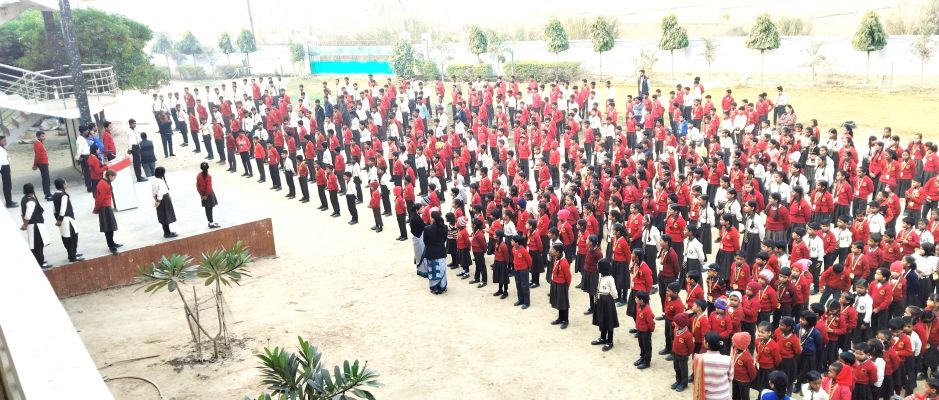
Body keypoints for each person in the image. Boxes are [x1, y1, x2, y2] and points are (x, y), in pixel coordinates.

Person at [693, 331, 734, 400]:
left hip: (707, 396)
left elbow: (697, 377)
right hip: (723, 396)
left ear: (707, 344)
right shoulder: (728, 359)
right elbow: (730, 378)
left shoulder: (699, 359)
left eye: (704, 339)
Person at [19, 183, 51, 268]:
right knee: (38, 245)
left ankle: (39, 260)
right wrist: (25, 225)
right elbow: (28, 215)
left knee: (35, 245)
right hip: (35, 225)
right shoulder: (31, 201)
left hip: (32, 225)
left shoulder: (24, 199)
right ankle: (40, 262)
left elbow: (23, 214)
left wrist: (25, 224)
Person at [52, 178, 83, 262]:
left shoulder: (55, 195)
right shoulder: (64, 196)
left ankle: (72, 254)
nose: (66, 184)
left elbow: (54, 209)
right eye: (65, 183)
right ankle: (73, 256)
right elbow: (63, 209)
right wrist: (60, 219)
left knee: (66, 238)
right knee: (72, 237)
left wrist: (57, 219)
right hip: (67, 219)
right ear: (62, 185)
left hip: (62, 220)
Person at [592, 258, 619, 352]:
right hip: (600, 300)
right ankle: (603, 338)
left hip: (607, 301)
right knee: (602, 319)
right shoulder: (600, 276)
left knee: (609, 320)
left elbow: (614, 291)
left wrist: (613, 299)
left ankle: (610, 341)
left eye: (598, 266)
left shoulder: (610, 278)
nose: (597, 267)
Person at [94, 169, 121, 254]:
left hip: (106, 206)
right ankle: (111, 246)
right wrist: (96, 209)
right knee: (108, 228)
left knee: (110, 227)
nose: (114, 179)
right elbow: (100, 199)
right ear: (109, 176)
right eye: (113, 177)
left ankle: (112, 243)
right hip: (105, 207)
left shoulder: (103, 182)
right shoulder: (104, 185)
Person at [422, 209, 448, 294]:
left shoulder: (427, 229)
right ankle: (442, 286)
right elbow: (444, 239)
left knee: (433, 270)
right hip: (441, 251)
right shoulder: (444, 227)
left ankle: (434, 288)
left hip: (431, 252)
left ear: (432, 218)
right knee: (441, 269)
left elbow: (425, 241)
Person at [548, 243, 571, 329]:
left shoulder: (564, 263)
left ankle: (565, 320)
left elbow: (568, 277)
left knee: (563, 303)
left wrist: (566, 287)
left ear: (558, 252)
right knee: (558, 301)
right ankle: (560, 318)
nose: (551, 251)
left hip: (562, 284)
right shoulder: (556, 258)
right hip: (555, 283)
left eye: (553, 250)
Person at [151, 167, 178, 238]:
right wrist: (159, 201)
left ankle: (166, 232)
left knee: (163, 216)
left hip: (158, 199)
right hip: (164, 199)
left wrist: (156, 200)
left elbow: (153, 193)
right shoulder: (160, 181)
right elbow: (160, 192)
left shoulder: (154, 181)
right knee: (166, 216)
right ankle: (167, 233)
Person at [635, 290, 655, 368]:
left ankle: (647, 362)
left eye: (636, 298)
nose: (635, 299)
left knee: (647, 347)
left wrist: (650, 330)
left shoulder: (647, 310)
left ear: (641, 300)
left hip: (645, 332)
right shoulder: (638, 305)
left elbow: (650, 322)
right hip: (639, 330)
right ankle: (642, 357)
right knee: (641, 345)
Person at [196, 162, 220, 229]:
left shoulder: (198, 175)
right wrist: (206, 195)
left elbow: (197, 186)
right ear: (208, 168)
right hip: (209, 195)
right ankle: (211, 223)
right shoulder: (208, 176)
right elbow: (209, 187)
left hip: (203, 194)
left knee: (207, 209)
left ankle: (210, 221)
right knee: (210, 209)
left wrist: (201, 195)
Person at [512, 234, 532, 309]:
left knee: (525, 285)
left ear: (517, 243)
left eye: (512, 241)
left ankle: (526, 302)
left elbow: (529, 260)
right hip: (516, 269)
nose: (511, 242)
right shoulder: (513, 249)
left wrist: (527, 268)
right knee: (518, 284)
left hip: (523, 270)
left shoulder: (523, 250)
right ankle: (520, 299)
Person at [32, 131, 52, 200]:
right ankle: (48, 194)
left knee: (45, 179)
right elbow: (37, 155)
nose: (44, 137)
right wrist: (35, 164)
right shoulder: (37, 143)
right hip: (42, 163)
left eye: (44, 136)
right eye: (42, 136)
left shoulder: (40, 143)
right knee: (46, 179)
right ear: (38, 137)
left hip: (44, 163)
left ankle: (47, 193)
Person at [0, 136, 16, 208]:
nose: (5, 142)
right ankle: (8, 203)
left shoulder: (2, 148)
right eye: (3, 141)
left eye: (5, 140)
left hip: (6, 167)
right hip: (4, 168)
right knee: (7, 185)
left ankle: (9, 200)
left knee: (9, 185)